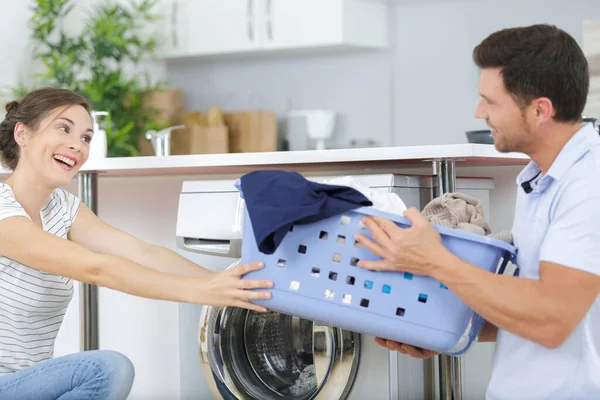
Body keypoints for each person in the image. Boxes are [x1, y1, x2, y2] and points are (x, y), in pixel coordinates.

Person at [355, 24, 600, 399]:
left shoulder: (588, 184)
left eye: (491, 101)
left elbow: (553, 320)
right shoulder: (541, 177)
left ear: (540, 110)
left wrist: (434, 260)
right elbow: (530, 311)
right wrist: (447, 328)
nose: (478, 111)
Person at [0, 88, 273, 399]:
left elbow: (143, 253)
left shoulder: (62, 208)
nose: (77, 145)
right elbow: (96, 268)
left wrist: (224, 284)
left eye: (86, 137)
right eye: (64, 128)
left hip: (26, 382)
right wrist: (200, 291)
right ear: (22, 134)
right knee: (107, 369)